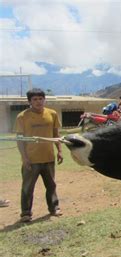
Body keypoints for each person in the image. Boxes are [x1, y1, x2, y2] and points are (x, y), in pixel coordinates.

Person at [16, 88, 63, 222]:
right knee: (27, 187)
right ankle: (26, 213)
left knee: (51, 185)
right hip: (31, 160)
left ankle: (54, 208)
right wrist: (24, 158)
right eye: (35, 99)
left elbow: (56, 135)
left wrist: (59, 150)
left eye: (41, 99)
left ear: (44, 99)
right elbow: (19, 139)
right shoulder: (22, 116)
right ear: (29, 101)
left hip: (48, 158)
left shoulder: (52, 114)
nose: (38, 102)